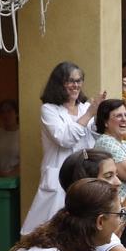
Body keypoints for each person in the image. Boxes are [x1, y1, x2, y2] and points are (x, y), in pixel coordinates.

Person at [20, 60, 100, 235]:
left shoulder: (86, 107)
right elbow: (64, 138)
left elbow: (96, 137)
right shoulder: (49, 110)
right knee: (51, 229)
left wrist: (100, 116)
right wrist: (89, 115)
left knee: (84, 225)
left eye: (79, 81)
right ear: (59, 83)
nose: (75, 85)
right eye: (70, 81)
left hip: (85, 173)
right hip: (59, 175)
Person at [91, 96, 126, 208]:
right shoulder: (104, 142)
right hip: (118, 209)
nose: (124, 119)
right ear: (105, 122)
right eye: (118, 116)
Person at [0, 99, 20, 177]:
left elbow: (25, 160)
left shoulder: (23, 134)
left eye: (9, 111)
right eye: (2, 112)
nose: (6, 115)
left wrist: (11, 174)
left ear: (16, 114)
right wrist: (2, 174)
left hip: (18, 179)